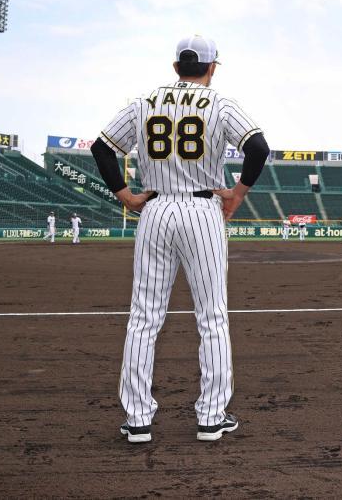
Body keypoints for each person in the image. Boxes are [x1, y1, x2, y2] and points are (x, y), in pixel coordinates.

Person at [90, 33, 269, 444]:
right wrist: (238, 193)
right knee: (212, 318)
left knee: (144, 317)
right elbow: (258, 147)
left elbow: (102, 148)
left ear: (175, 67)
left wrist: (126, 195)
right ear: (211, 68)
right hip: (203, 209)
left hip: (155, 209)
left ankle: (137, 420)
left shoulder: (143, 101)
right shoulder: (220, 102)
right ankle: (210, 416)